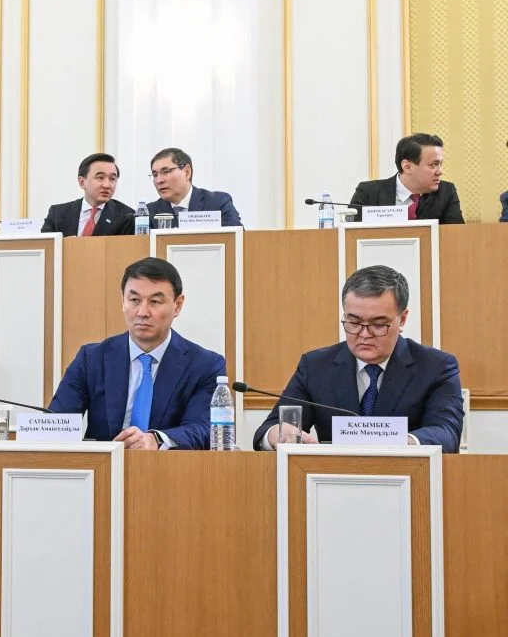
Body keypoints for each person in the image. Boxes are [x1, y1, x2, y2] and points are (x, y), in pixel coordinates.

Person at [254, 265, 463, 453]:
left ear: (402, 319)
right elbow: (268, 429)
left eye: (378, 324)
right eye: (353, 323)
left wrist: (399, 443)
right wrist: (276, 435)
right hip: (332, 478)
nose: (364, 334)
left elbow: (446, 433)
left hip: (409, 477)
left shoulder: (436, 367)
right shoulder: (315, 366)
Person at [49, 257, 225, 449]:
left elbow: (204, 429)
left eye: (155, 301)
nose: (142, 312)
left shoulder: (205, 365)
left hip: (170, 465)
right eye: (134, 300)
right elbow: (57, 423)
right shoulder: (91, 359)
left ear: (177, 305)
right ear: (123, 301)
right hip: (104, 466)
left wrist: (156, 440)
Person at [349, 133, 464, 224]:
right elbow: (350, 236)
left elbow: (457, 237)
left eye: (440, 164)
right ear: (407, 167)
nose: (440, 172)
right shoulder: (368, 193)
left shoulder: (446, 192)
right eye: (433, 165)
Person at [41, 153, 135, 236]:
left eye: (112, 179)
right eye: (100, 177)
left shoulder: (127, 216)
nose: (107, 185)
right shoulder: (57, 214)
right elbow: (46, 247)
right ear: (82, 182)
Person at [145, 148, 243, 226]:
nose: (159, 180)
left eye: (166, 172)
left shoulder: (218, 203)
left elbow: (237, 239)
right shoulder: (149, 212)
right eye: (155, 175)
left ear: (187, 172)